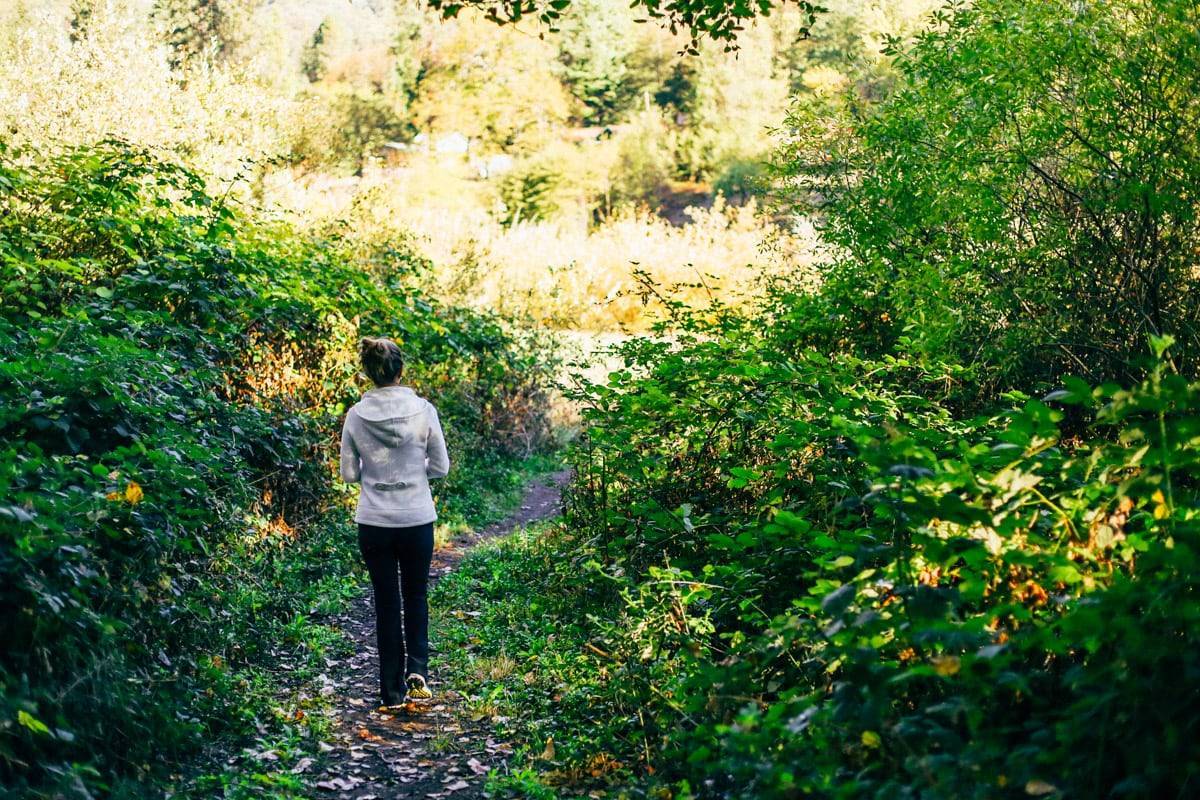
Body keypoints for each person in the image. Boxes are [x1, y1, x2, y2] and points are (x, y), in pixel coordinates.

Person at [340, 336, 451, 710]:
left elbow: (348, 474)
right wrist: (412, 471)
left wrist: (377, 472)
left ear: (368, 373)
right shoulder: (424, 411)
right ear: (400, 369)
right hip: (417, 518)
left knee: (386, 602)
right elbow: (440, 467)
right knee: (416, 595)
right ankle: (418, 670)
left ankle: (390, 691)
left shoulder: (356, 416)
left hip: (374, 522)